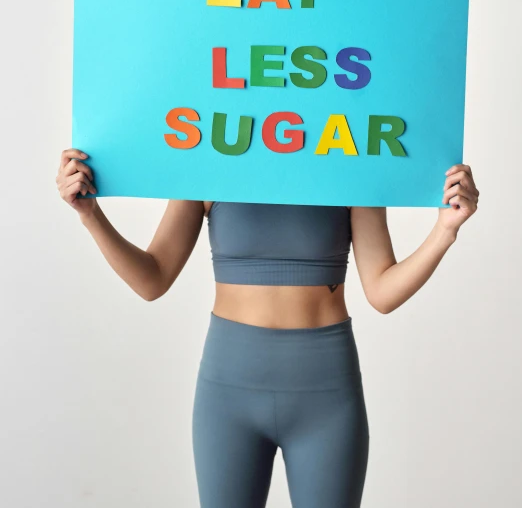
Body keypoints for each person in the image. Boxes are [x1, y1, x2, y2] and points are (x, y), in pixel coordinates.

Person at [56, 148, 479, 508]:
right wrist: (90, 214)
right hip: (228, 392)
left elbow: (382, 291)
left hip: (326, 393)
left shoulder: (350, 165)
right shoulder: (206, 160)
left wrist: (445, 231)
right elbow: (153, 278)